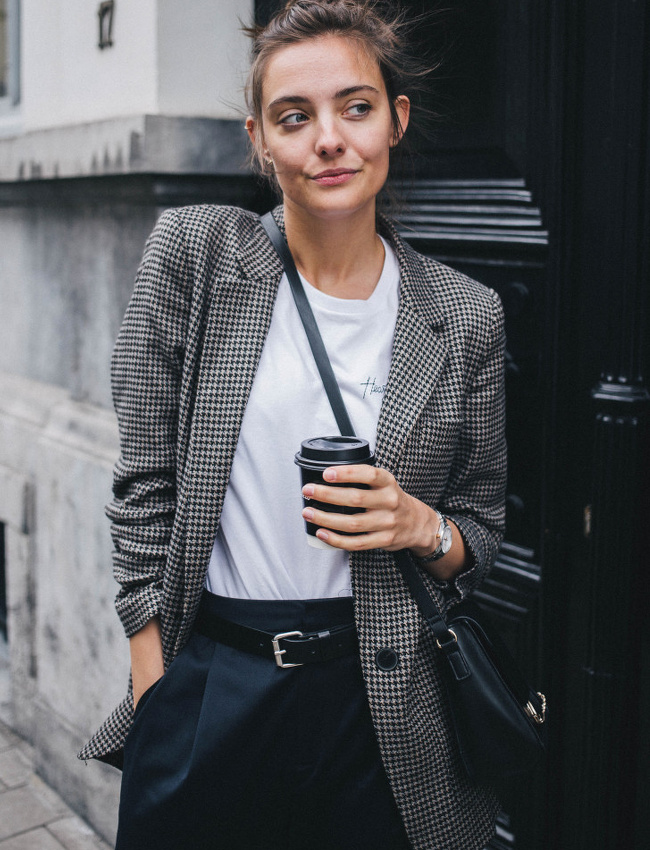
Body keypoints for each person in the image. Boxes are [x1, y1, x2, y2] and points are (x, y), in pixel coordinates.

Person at [79, 2, 507, 848]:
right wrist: (157, 685)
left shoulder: (466, 315)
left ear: (396, 120)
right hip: (217, 685)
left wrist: (418, 525)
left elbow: (481, 531)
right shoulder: (199, 255)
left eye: (356, 107)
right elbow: (144, 484)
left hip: (383, 705)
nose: (330, 140)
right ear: (260, 141)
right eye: (294, 116)